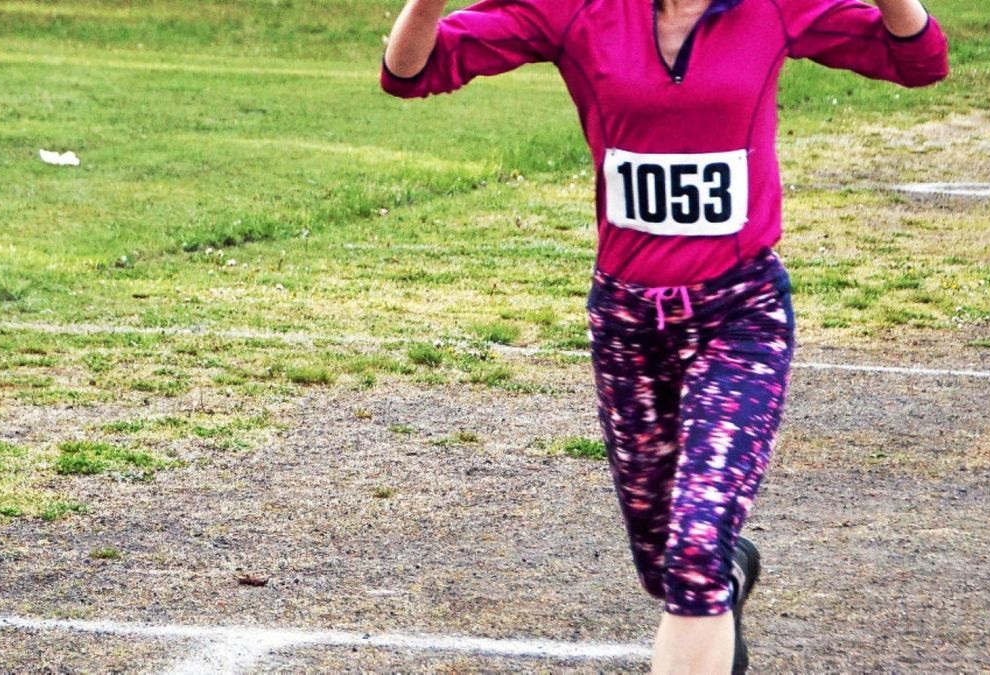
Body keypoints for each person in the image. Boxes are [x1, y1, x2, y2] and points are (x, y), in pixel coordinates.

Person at [381, 0, 948, 669]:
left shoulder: (772, 8)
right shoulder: (578, 12)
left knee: (693, 548)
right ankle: (726, 575)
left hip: (740, 315)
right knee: (667, 565)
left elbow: (919, 60)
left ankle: (712, 569)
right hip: (629, 325)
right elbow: (410, 72)